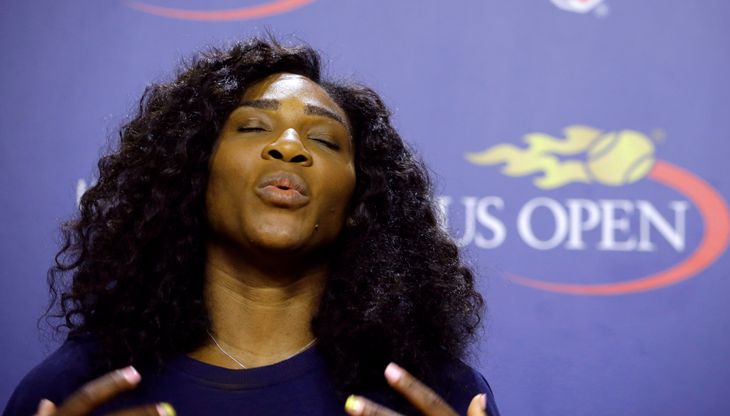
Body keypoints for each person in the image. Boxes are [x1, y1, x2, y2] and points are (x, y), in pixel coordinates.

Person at [3, 37, 499, 416]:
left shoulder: (440, 395)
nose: (288, 146)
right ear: (193, 177)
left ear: (359, 203)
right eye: (253, 127)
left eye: (325, 140)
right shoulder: (74, 389)